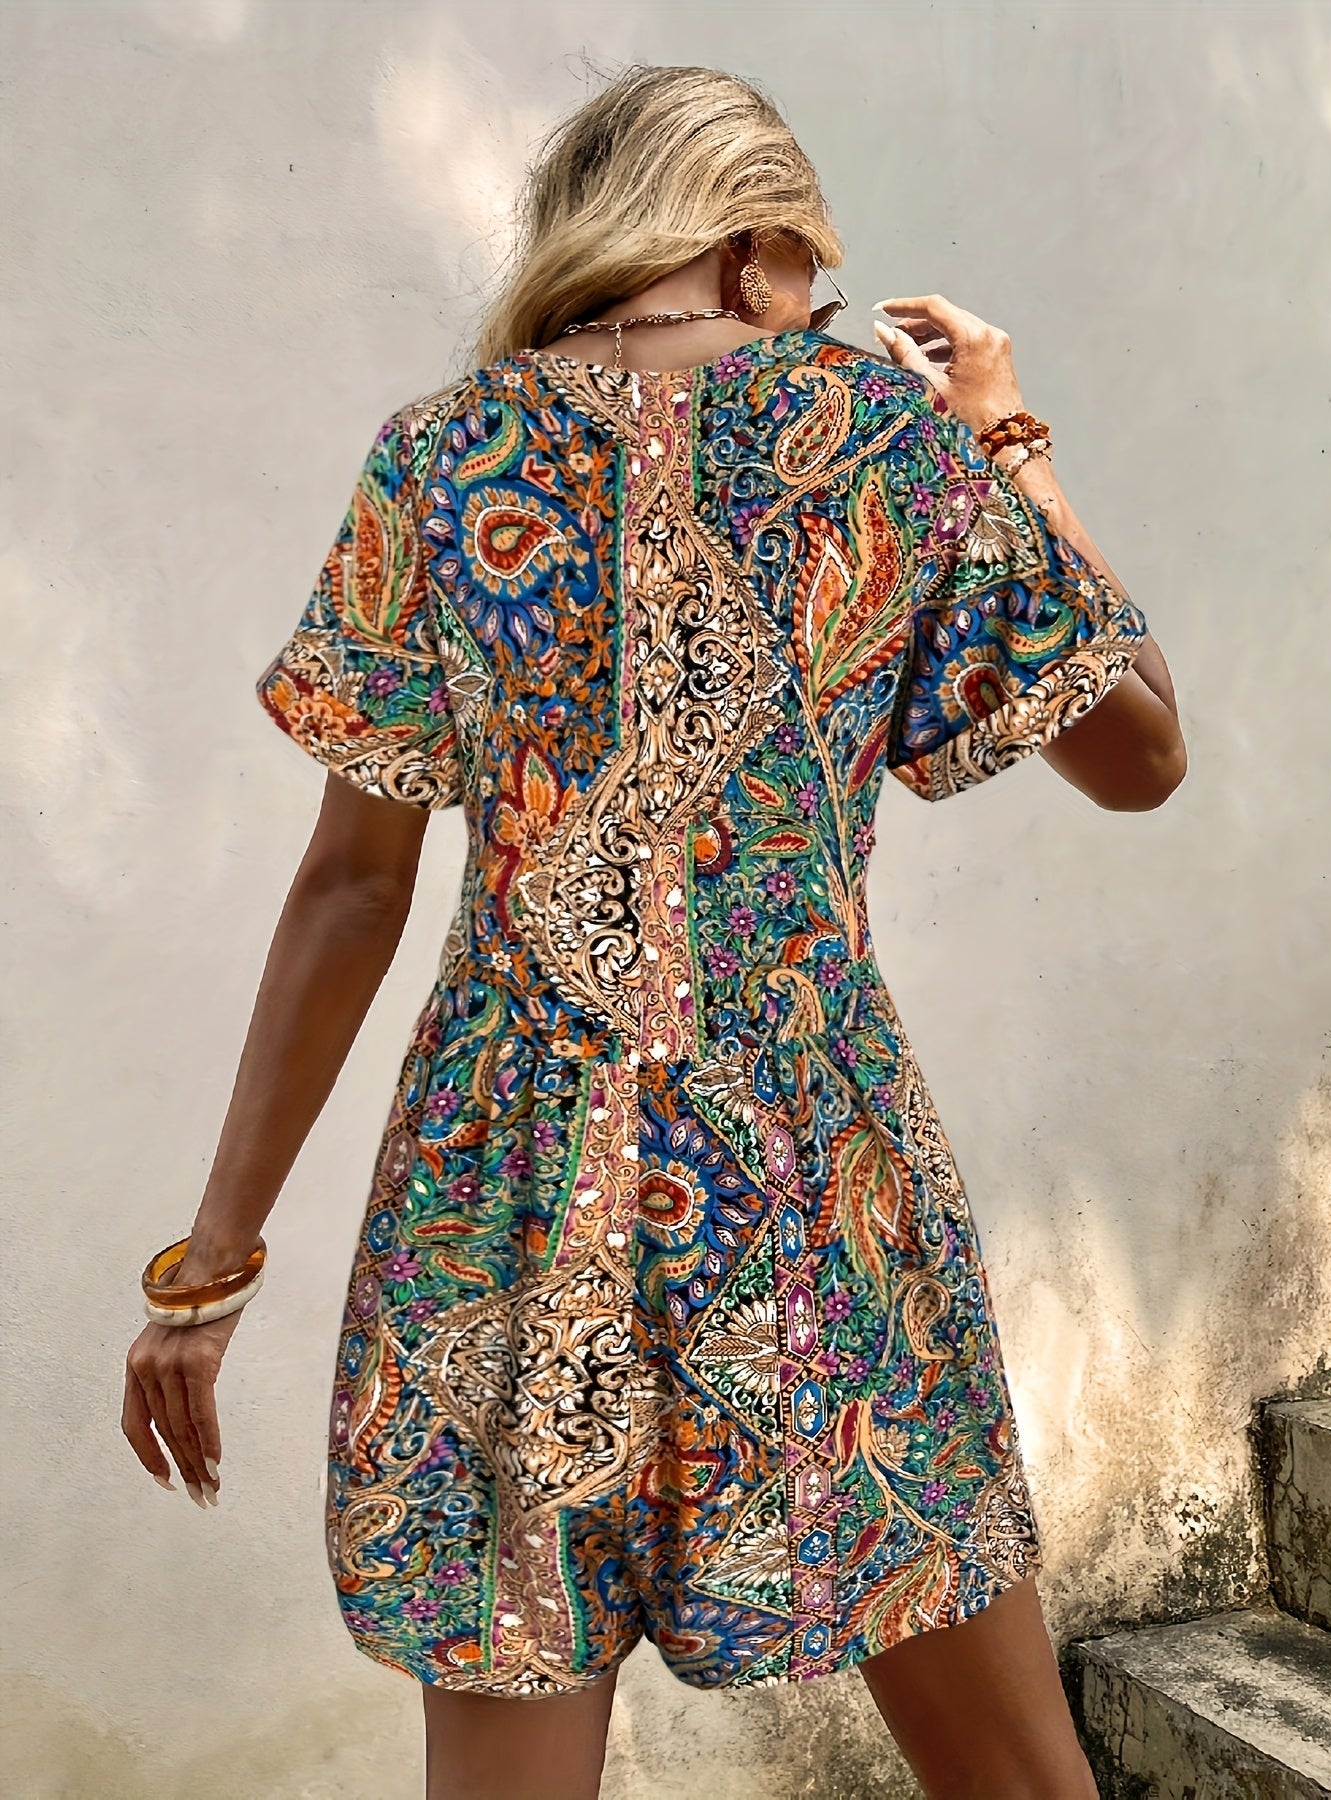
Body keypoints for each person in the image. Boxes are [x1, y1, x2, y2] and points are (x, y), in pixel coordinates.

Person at [121, 62, 1185, 1800]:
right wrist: (1007, 437)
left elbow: (349, 889)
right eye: (813, 275)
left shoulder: (438, 454)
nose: (813, 310)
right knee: (1013, 1776)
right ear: (755, 245)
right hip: (810, 1170)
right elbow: (1140, 755)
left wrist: (210, 1268)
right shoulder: (882, 430)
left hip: (499, 1181)